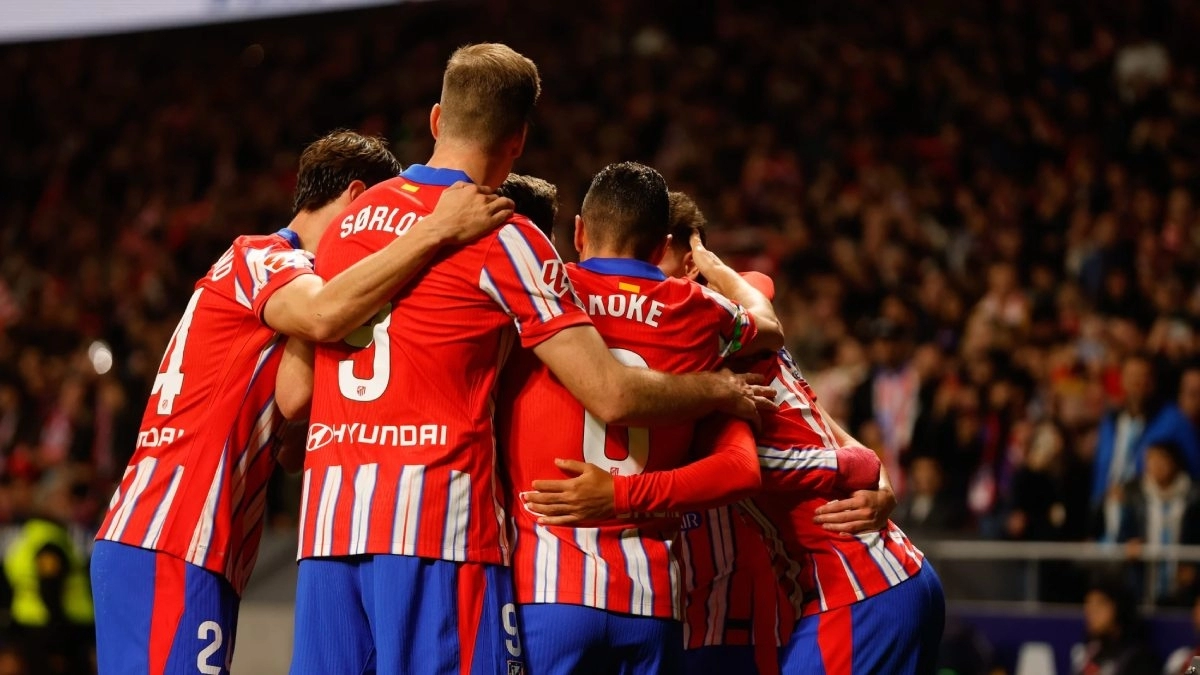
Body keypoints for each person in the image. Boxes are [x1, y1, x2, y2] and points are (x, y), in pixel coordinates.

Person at [283, 45, 772, 675]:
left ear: (436, 120)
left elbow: (294, 396)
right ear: (517, 142)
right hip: (436, 524)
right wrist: (720, 390)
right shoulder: (506, 237)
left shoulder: (348, 224)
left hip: (329, 520)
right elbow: (611, 393)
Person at [89, 130, 513, 675]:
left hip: (187, 540)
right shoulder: (262, 256)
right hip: (172, 533)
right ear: (358, 198)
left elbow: (291, 433)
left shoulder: (284, 281)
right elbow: (322, 315)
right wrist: (434, 230)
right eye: (380, 214)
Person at [498, 162, 783, 675]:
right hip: (652, 595)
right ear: (661, 247)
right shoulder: (701, 312)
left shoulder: (544, 292)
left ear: (579, 231)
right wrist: (712, 268)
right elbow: (766, 325)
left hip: (548, 583)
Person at [4, 468, 93, 675]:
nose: (72, 504)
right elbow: (50, 592)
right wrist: (59, 646)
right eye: (65, 497)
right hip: (52, 634)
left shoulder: (30, 533)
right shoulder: (50, 541)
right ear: (50, 500)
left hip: (33, 628)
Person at [1072, 577, 1159, 675]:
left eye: (1100, 604)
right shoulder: (1090, 653)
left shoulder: (1138, 659)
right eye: (1088, 604)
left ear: (1119, 607)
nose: (1091, 611)